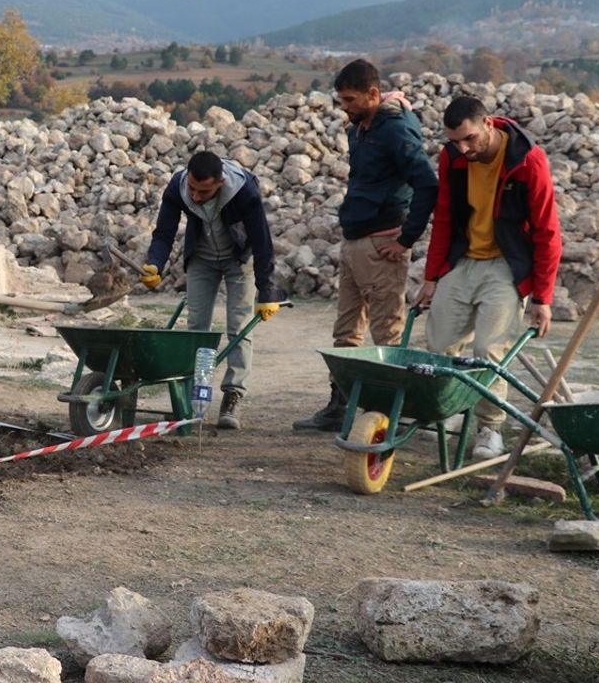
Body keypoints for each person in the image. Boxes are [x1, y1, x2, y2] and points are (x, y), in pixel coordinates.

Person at [293, 59, 439, 432]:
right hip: (355, 240)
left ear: (374, 94)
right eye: (342, 100)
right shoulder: (362, 128)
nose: (345, 107)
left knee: (386, 333)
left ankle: (390, 413)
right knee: (346, 331)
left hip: (381, 241)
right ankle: (341, 405)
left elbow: (427, 184)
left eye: (350, 99)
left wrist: (406, 238)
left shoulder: (396, 130)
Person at [415, 96, 562, 459]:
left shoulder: (527, 161)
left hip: (506, 264)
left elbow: (547, 232)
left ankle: (489, 427)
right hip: (463, 258)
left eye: (469, 139)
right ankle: (447, 410)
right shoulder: (452, 157)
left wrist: (542, 298)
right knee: (440, 343)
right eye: (454, 141)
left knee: (488, 352)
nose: (462, 149)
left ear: (489, 125)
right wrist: (432, 276)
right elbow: (445, 216)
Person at [140, 151, 284, 430]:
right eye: (192, 188)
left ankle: (233, 394)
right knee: (196, 329)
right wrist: (154, 264)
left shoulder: (243, 190)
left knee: (239, 328)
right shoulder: (178, 187)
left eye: (203, 191)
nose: (195, 196)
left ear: (220, 182)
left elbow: (262, 241)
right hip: (201, 258)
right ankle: (193, 399)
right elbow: (164, 232)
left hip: (239, 258)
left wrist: (267, 291)